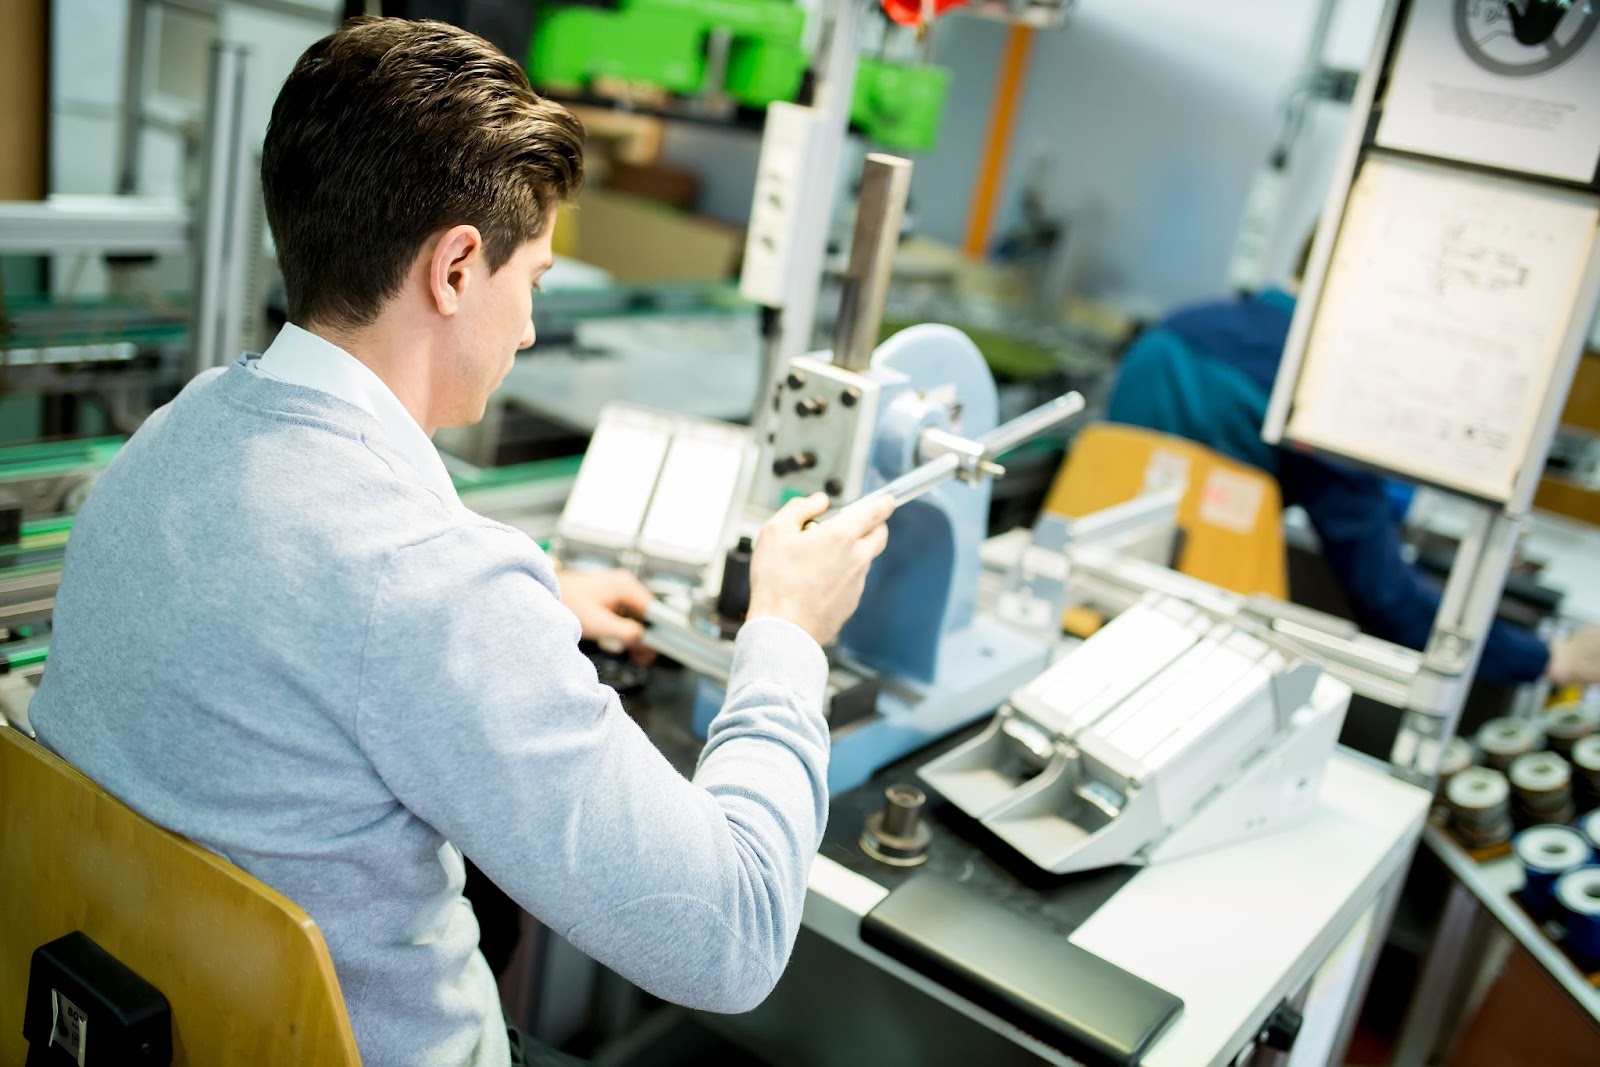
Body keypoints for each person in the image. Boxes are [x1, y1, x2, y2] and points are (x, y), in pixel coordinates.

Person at [28, 18, 892, 1067]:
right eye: (532, 277)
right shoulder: (433, 591)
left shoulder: (178, 430)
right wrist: (788, 638)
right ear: (454, 269)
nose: (529, 326)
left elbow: (339, 588)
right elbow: (735, 935)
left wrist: (531, 592)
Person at [1107, 260, 1600, 688]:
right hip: (1194, 647)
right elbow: (1384, 597)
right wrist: (1547, 659)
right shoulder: (1319, 393)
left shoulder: (1182, 323)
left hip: (1094, 595)